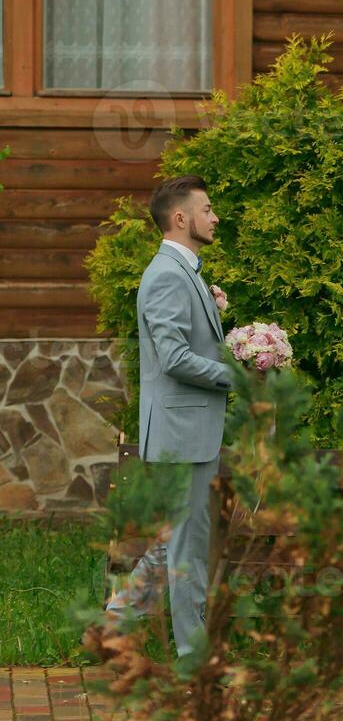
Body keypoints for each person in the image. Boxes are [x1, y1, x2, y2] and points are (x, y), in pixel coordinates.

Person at [104, 175, 234, 659]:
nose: (214, 217)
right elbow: (175, 358)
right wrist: (234, 374)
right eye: (207, 208)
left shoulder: (185, 272)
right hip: (183, 434)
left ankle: (110, 627)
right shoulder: (166, 275)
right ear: (181, 218)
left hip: (191, 432)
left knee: (176, 544)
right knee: (187, 551)